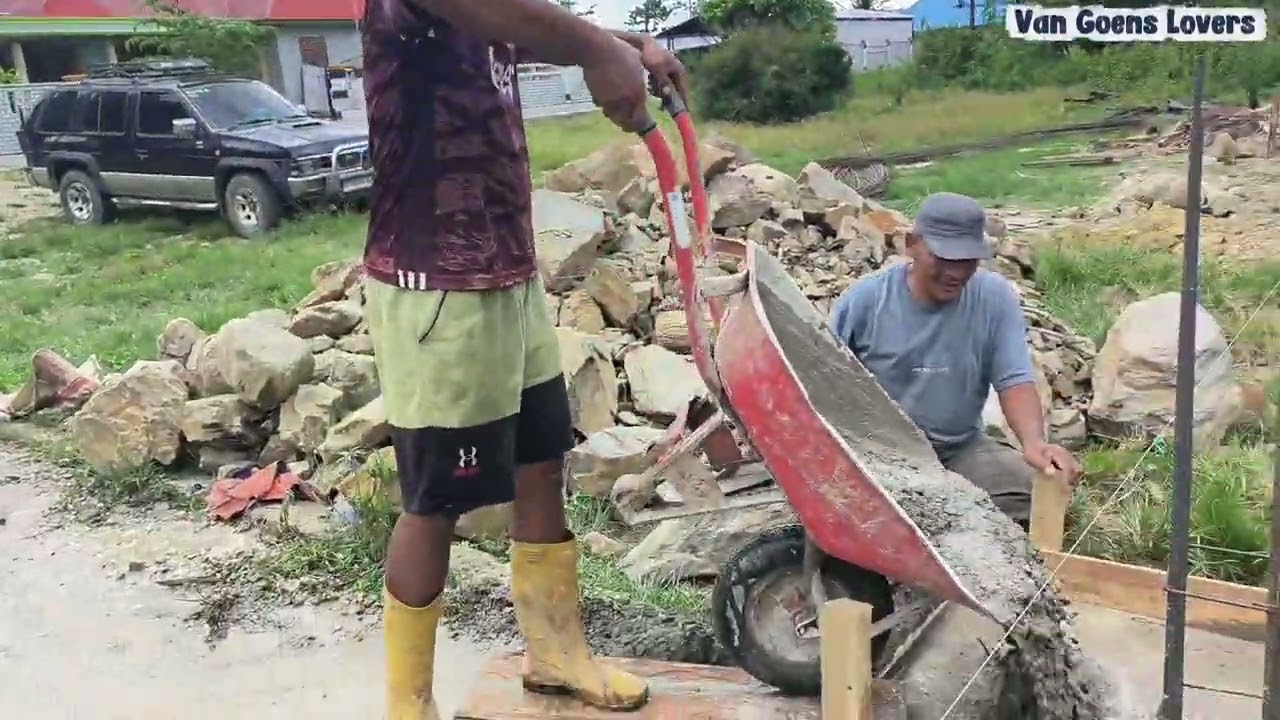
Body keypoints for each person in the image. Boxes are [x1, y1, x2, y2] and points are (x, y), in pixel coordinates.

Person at [357, 0, 688, 718]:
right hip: (436, 285)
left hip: (507, 271)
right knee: (436, 501)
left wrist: (624, 43)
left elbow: (514, 23)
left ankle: (555, 655)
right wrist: (601, 50)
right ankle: (407, 706)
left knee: (542, 460)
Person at [827, 192, 1081, 529]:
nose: (956, 272)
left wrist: (1035, 443)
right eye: (944, 258)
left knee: (1039, 497)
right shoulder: (864, 301)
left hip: (959, 450)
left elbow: (1014, 378)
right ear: (911, 244)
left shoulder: (994, 298)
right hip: (880, 454)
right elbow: (823, 380)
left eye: (968, 260)